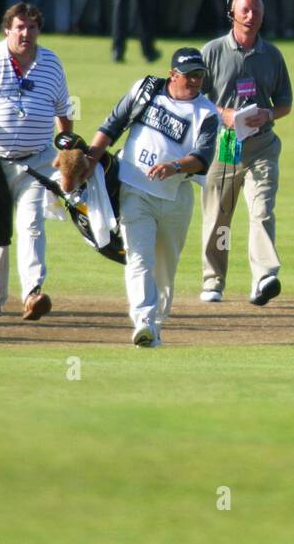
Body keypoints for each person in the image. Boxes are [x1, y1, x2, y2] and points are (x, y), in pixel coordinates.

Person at [87, 48, 219, 347]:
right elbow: (112, 125)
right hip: (134, 188)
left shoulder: (207, 113)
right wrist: (90, 159)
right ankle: (143, 321)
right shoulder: (145, 89)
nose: (196, 80)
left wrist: (174, 167)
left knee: (165, 267)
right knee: (139, 257)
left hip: (176, 196)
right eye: (190, 75)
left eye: (200, 75)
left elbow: (203, 157)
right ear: (173, 74)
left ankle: (156, 324)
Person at [0, 2, 73, 320]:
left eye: (32, 27)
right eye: (20, 27)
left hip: (36, 161)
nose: (25, 33)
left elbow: (64, 111)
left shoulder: (51, 63)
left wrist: (67, 147)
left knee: (32, 225)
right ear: (7, 28)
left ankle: (33, 294)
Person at [198, 0, 292, 305]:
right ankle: (213, 281)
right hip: (225, 146)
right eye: (245, 11)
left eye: (257, 11)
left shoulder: (272, 55)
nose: (251, 16)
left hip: (262, 146)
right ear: (232, 14)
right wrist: (222, 114)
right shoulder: (213, 51)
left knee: (262, 211)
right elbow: (193, 97)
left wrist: (268, 114)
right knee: (218, 218)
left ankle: (264, 277)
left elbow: (285, 102)